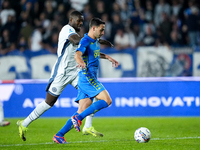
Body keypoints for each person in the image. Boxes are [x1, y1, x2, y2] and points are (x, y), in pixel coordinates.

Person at [17, 11, 114, 142]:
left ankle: (87, 126)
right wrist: (95, 39)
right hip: (61, 73)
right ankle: (24, 124)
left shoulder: (81, 36)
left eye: (82, 21)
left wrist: (101, 50)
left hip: (75, 72)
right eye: (78, 20)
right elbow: (75, 40)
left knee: (94, 94)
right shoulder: (66, 30)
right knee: (49, 103)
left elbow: (89, 50)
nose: (80, 23)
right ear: (71, 19)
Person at [53, 17, 119, 144]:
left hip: (88, 78)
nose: (103, 33)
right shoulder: (85, 40)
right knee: (107, 100)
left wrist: (107, 57)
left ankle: (59, 135)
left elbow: (94, 53)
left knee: (82, 109)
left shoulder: (95, 40)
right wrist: (81, 62)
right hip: (87, 77)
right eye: (101, 30)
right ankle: (78, 119)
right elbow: (77, 54)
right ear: (93, 28)